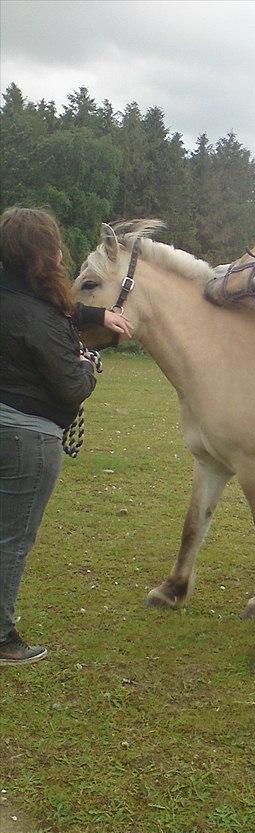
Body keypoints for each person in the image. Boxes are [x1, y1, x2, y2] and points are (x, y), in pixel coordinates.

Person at [0, 206, 132, 666]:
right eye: (53, 244)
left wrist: (96, 313)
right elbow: (72, 387)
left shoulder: (13, 297)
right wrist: (88, 366)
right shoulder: (39, 319)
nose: (60, 252)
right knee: (12, 538)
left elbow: (58, 307)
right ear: (44, 254)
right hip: (27, 437)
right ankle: (2, 639)